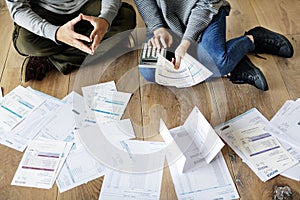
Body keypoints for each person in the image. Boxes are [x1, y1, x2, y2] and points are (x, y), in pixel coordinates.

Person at [134, 0, 294, 91]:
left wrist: (185, 42)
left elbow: (206, 5)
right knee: (148, 71)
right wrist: (157, 28)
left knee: (218, 63)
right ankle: (233, 62)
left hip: (206, 14)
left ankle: (252, 40)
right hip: (164, 24)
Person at [5, 0, 136, 82]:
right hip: (45, 12)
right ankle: (107, 44)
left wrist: (105, 19)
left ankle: (51, 61)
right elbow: (19, 9)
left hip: (88, 4)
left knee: (126, 18)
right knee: (25, 42)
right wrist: (55, 33)